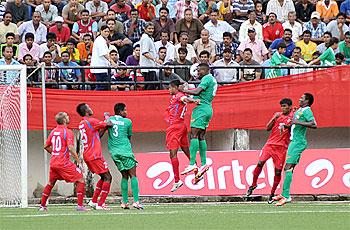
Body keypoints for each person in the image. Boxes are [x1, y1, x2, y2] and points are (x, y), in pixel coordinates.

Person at [246, 98, 294, 203]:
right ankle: (253, 184)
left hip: (281, 148)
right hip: (270, 145)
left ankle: (272, 193)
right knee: (260, 163)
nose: (283, 108)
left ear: (290, 107)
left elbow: (293, 127)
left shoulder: (293, 117)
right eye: (282, 106)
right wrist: (274, 118)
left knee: (277, 172)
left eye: (285, 106)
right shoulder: (278, 115)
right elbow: (267, 128)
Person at [274, 93, 317, 206]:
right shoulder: (299, 110)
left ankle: (286, 196)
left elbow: (314, 124)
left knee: (288, 167)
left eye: (302, 98)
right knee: (288, 168)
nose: (299, 99)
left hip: (298, 143)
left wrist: (297, 122)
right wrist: (287, 126)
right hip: (294, 142)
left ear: (307, 101)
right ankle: (284, 194)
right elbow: (295, 125)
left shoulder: (307, 110)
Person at [39, 112, 87, 211]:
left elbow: (45, 146)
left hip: (54, 163)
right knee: (80, 179)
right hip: (63, 162)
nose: (69, 118)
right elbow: (70, 147)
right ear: (64, 120)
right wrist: (79, 161)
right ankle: (80, 206)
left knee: (50, 183)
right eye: (67, 117)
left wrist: (55, 153)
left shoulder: (53, 131)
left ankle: (42, 206)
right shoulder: (67, 132)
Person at [180, 63, 217, 184]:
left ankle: (191, 163)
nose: (198, 72)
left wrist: (184, 90)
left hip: (201, 109)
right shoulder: (212, 80)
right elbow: (198, 94)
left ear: (205, 70)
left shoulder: (207, 78)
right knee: (201, 136)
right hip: (207, 108)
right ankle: (204, 163)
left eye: (199, 70)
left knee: (193, 135)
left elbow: (197, 91)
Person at [105, 103, 143, 209]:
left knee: (124, 176)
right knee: (133, 175)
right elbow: (129, 136)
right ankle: (136, 201)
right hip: (125, 151)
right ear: (120, 111)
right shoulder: (127, 121)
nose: (126, 112)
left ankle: (124, 202)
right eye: (125, 110)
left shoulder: (109, 120)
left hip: (114, 152)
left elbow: (105, 126)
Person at [76, 103, 113, 210]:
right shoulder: (91, 121)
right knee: (108, 177)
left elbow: (97, 136)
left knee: (103, 177)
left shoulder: (82, 123)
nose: (91, 109)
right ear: (86, 111)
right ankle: (101, 204)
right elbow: (110, 123)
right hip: (95, 155)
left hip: (88, 154)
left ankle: (93, 201)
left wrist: (104, 127)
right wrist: (106, 117)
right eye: (89, 107)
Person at [166, 79, 200, 191]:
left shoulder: (178, 95)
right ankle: (196, 170)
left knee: (173, 154)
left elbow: (185, 99)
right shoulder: (177, 96)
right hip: (181, 126)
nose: (169, 90)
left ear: (175, 88)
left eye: (170, 87)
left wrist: (193, 101)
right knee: (186, 149)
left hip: (175, 127)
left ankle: (177, 180)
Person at [91, 25, 116, 90]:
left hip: (102, 67)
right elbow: (104, 54)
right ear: (101, 31)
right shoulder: (100, 40)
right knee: (101, 86)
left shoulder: (102, 40)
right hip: (100, 68)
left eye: (108, 31)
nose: (107, 33)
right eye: (105, 31)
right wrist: (112, 62)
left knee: (103, 86)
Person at [140, 22, 162, 90]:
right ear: (145, 29)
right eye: (149, 28)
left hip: (151, 66)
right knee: (150, 86)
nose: (151, 30)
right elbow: (145, 52)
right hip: (147, 68)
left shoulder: (150, 38)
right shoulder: (146, 38)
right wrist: (155, 59)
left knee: (153, 85)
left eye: (152, 28)